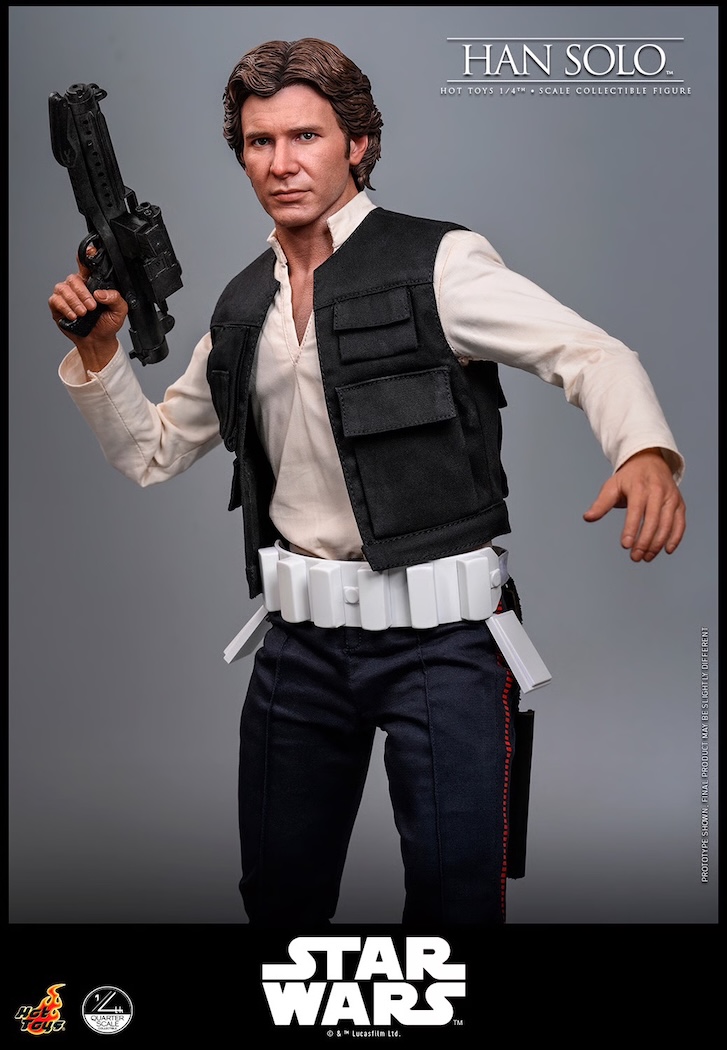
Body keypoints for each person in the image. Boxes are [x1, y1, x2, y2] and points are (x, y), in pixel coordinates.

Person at [48, 38, 686, 928]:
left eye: (305, 136)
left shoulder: (438, 263)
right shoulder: (242, 308)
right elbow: (153, 452)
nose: (281, 163)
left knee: (456, 903)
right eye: (259, 142)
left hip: (443, 643)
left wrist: (644, 452)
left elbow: (589, 354)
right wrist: (99, 353)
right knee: (279, 900)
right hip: (300, 650)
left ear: (357, 144)